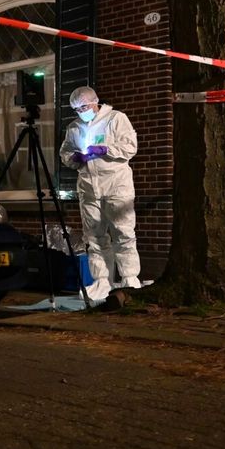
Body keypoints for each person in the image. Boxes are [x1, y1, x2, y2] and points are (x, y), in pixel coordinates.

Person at [60, 85, 140, 300]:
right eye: (76, 109)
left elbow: (130, 147)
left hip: (116, 184)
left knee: (123, 231)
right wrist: (76, 158)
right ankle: (101, 281)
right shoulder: (74, 128)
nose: (81, 111)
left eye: (84, 106)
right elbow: (65, 153)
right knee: (94, 236)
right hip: (88, 188)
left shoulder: (115, 119)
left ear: (95, 102)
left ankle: (129, 278)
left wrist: (105, 149)